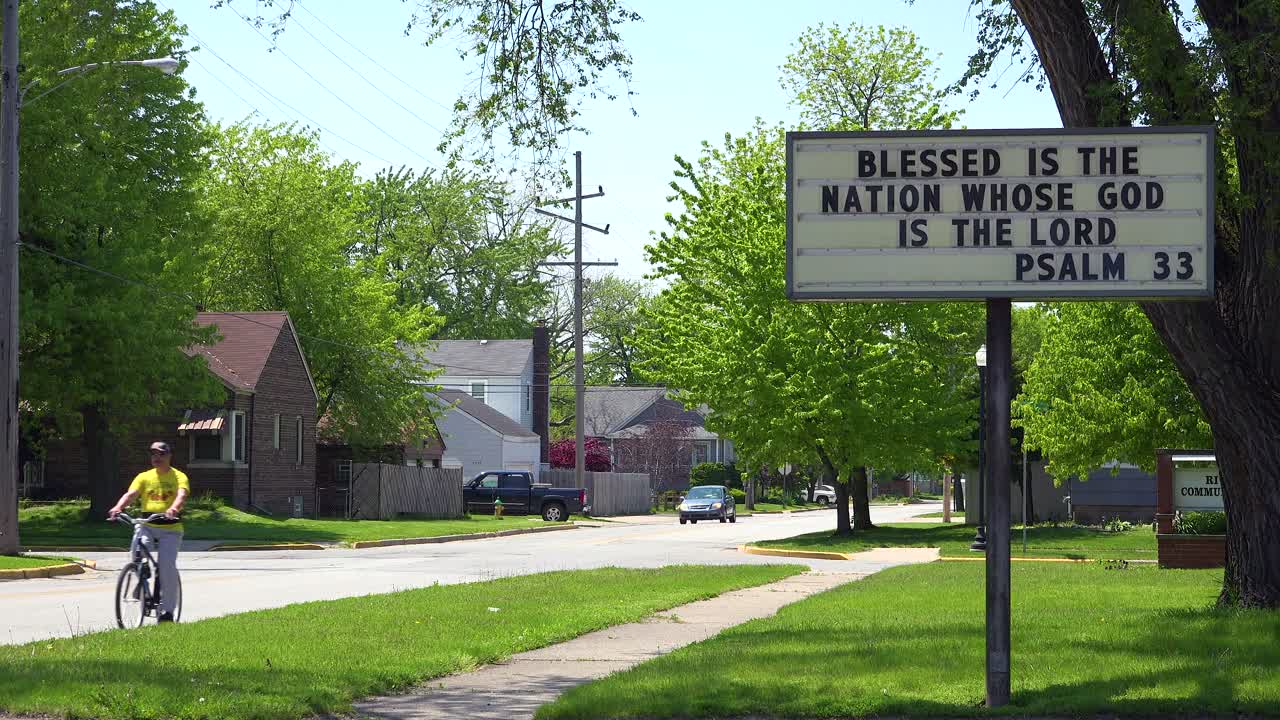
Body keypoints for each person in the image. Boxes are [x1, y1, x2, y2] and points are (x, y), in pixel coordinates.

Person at [108, 441, 189, 623]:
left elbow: (182, 494)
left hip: (171, 529)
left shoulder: (179, 476)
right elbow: (131, 494)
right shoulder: (144, 477)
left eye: (160, 454)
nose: (156, 458)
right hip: (147, 525)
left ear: (169, 456)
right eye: (153, 454)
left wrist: (174, 508)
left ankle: (167, 611)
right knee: (137, 549)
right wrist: (118, 507)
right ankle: (141, 571)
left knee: (166, 567)